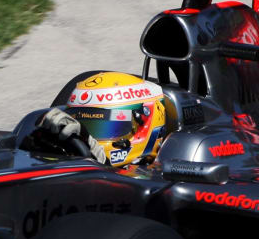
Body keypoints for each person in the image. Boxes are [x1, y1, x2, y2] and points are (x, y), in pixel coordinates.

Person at [34, 71, 172, 168]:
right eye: (86, 126)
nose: (93, 139)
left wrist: (90, 147)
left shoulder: (158, 178)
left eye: (106, 127)